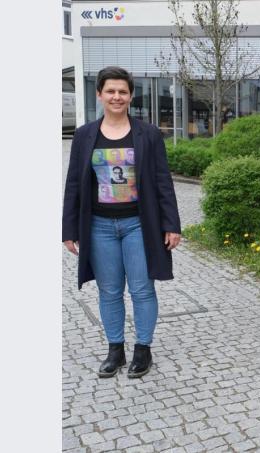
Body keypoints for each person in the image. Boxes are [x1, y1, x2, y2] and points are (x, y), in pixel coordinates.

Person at [62, 66, 181, 379]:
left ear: (130, 96)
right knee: (109, 291)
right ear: (99, 94)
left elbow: (162, 182)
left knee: (142, 289)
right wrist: (69, 229)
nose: (117, 97)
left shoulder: (148, 134)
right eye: (110, 91)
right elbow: (74, 183)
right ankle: (115, 349)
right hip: (99, 227)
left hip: (139, 226)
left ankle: (143, 347)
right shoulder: (85, 135)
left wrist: (171, 224)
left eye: (123, 92)